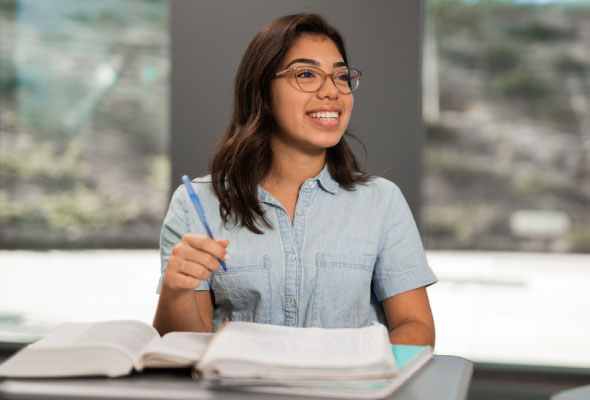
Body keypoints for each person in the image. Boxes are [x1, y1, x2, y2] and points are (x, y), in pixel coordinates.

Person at [153, 13, 436, 346]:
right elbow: (183, 344)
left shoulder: (382, 201)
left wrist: (363, 376)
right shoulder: (195, 204)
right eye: (306, 74)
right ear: (261, 90)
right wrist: (176, 289)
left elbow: (416, 325)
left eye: (341, 77)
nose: (332, 91)